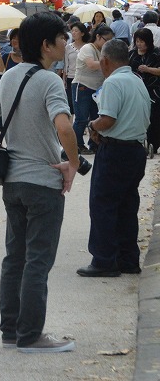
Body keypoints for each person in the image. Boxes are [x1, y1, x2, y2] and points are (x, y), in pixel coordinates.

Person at [0, 12, 81, 353]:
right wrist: (73, 163)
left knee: (15, 258)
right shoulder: (51, 81)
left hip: (13, 182)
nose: (65, 44)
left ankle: (11, 331)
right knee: (38, 260)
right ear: (46, 45)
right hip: (43, 184)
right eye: (61, 39)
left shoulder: (9, 77)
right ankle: (31, 335)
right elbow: (64, 127)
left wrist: (1, 150)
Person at [78, 39, 150, 277]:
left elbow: (108, 120)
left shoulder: (113, 83)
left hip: (116, 151)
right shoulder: (136, 81)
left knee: (104, 205)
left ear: (106, 60)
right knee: (127, 206)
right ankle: (128, 260)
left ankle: (104, 260)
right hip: (135, 150)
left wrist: (92, 125)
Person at [73, 24, 114, 154]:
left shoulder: (104, 51)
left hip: (97, 89)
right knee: (81, 119)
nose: (108, 43)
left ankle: (94, 144)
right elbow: (91, 65)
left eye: (110, 41)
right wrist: (109, 62)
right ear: (97, 36)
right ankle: (77, 145)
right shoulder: (87, 48)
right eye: (106, 40)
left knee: (96, 118)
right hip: (82, 86)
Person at [128, 29, 160, 154]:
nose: (139, 44)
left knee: (154, 117)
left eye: (142, 41)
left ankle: (153, 143)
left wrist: (148, 69)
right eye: (137, 41)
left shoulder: (156, 53)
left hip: (154, 91)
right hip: (135, 91)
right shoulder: (131, 54)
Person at [64, 22, 88, 113]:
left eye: (76, 31)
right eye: (72, 31)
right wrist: (64, 80)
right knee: (72, 104)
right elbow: (66, 64)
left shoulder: (87, 47)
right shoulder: (68, 47)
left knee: (83, 104)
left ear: (82, 33)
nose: (73, 33)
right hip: (71, 78)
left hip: (84, 78)